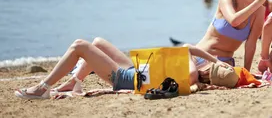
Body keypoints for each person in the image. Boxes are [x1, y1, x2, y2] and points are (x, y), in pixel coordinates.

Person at [14, 38, 232, 99]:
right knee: (98, 42)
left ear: (208, 73)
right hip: (137, 69)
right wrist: (214, 61)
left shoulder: (192, 73)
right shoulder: (193, 69)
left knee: (80, 45)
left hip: (123, 78)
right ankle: (73, 81)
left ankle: (44, 87)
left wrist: (210, 61)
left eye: (211, 66)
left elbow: (187, 48)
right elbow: (188, 48)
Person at [196, 0, 271, 75]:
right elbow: (234, 21)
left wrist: (246, 72)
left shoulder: (259, 10)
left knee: (229, 78)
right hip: (203, 56)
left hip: (225, 63)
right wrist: (257, 2)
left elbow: (251, 44)